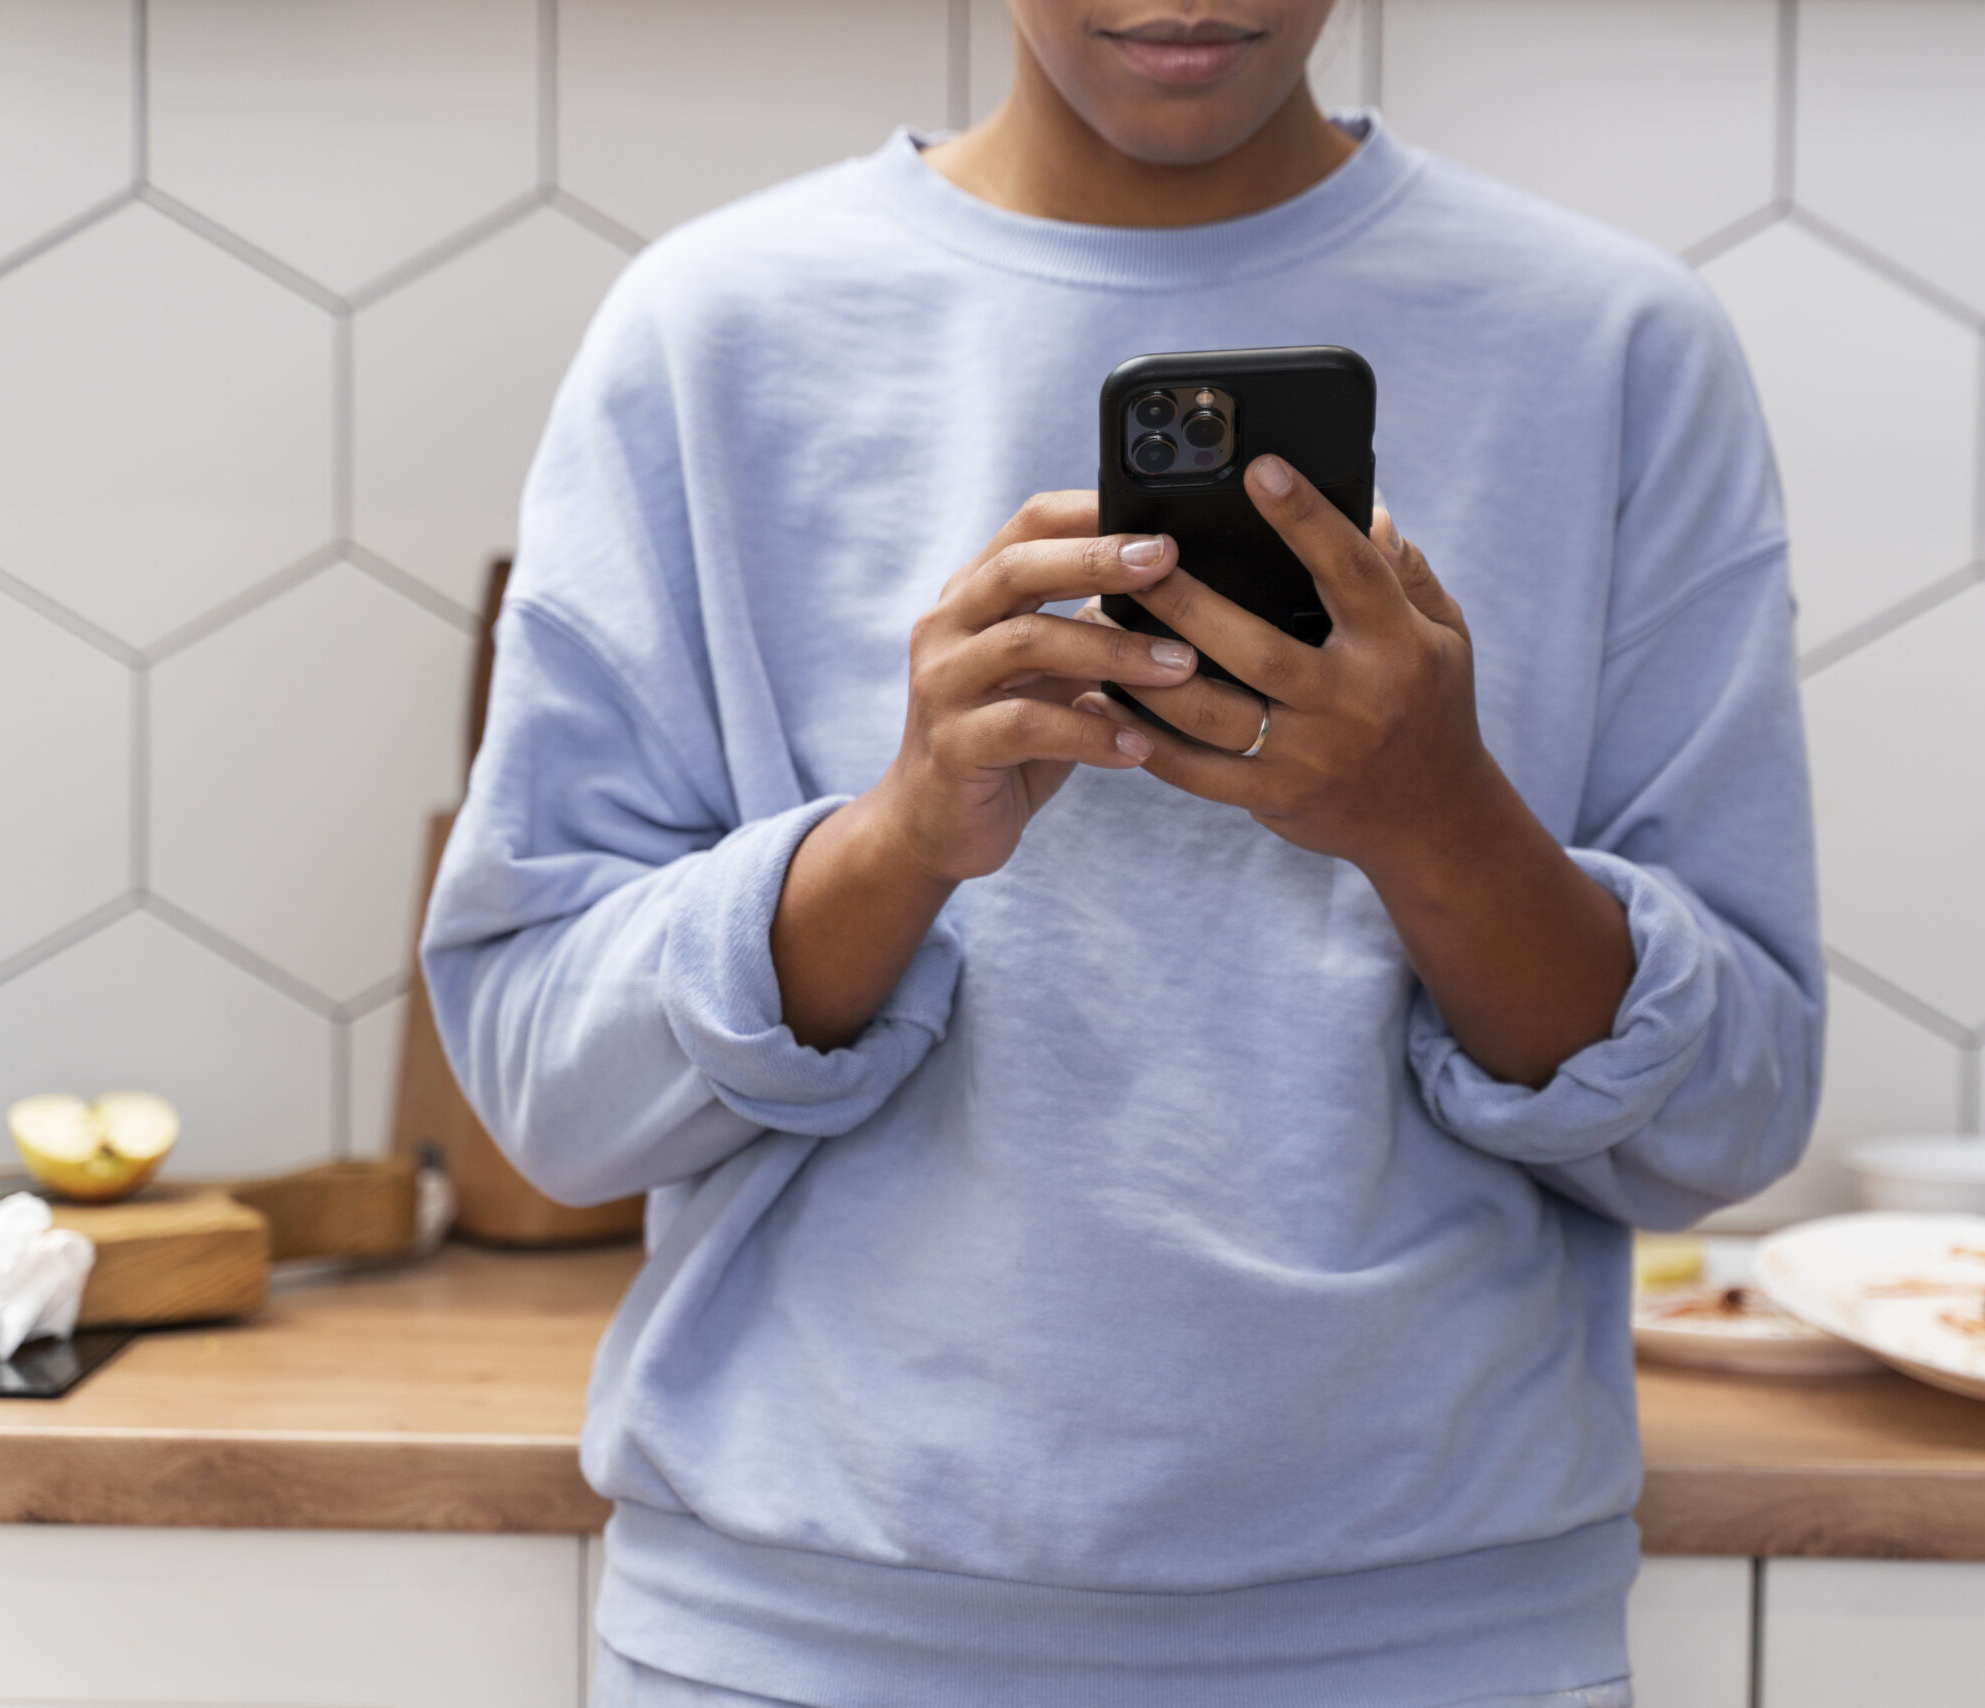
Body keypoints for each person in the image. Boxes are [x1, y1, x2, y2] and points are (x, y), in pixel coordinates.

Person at [422, 3, 1823, 1703]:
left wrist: (1439, 824)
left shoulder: (1615, 347)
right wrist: (901, 838)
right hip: (803, 1648)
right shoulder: (707, 335)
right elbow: (545, 1095)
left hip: (1438, 1648)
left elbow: (1732, 1111)